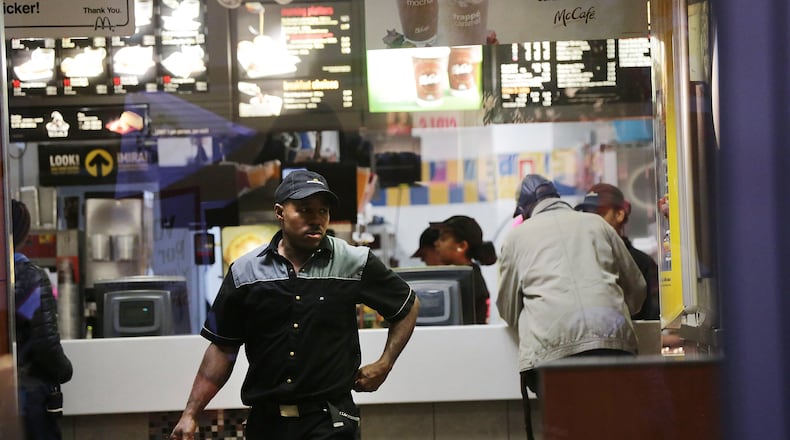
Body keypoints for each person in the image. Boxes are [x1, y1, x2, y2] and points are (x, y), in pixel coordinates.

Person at [171, 170, 420, 440]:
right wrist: (191, 414)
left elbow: (407, 305)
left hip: (330, 421)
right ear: (280, 212)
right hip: (266, 424)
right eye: (304, 210)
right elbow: (222, 348)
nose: (316, 219)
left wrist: (385, 364)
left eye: (322, 211)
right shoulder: (245, 272)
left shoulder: (354, 261)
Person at [497, 175, 646, 440]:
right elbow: (636, 289)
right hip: (613, 345)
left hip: (554, 355)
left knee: (569, 430)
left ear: (526, 209)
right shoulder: (597, 225)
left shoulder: (516, 238)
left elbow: (507, 310)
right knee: (615, 428)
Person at [12, 199, 73, 440]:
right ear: (23, 232)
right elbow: (44, 344)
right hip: (28, 397)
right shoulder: (29, 277)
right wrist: (65, 370)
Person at [575, 183, 660, 320]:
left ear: (619, 214)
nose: (591, 221)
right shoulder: (578, 258)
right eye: (587, 214)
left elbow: (652, 319)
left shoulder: (641, 263)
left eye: (599, 214)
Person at [429, 215, 497, 324]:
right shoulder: (467, 276)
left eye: (443, 239)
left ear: (462, 246)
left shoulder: (467, 280)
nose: (436, 243)